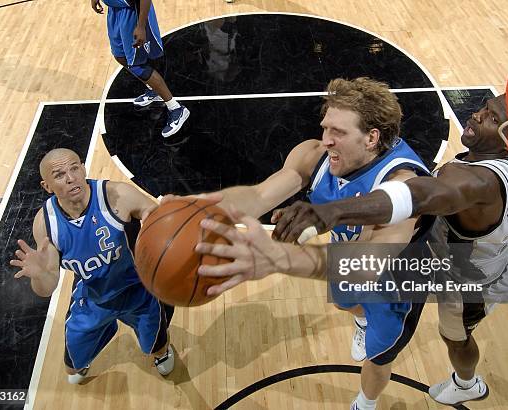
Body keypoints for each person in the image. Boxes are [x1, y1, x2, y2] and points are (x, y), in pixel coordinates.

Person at [257, 92, 508, 405]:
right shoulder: (500, 163)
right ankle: (365, 320)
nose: (477, 115)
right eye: (484, 108)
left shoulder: (481, 181)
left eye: (493, 119)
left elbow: (421, 195)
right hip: (462, 253)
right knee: (352, 289)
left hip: (466, 278)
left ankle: (467, 384)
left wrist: (334, 211)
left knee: (454, 337)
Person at [174, 77, 433, 410]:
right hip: (348, 257)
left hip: (396, 280)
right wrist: (195, 207)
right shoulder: (316, 154)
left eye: (338, 132)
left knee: (377, 356)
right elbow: (257, 196)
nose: (326, 139)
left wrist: (280, 257)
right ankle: (361, 318)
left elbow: (368, 264)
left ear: (372, 138)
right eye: (325, 127)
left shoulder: (401, 185)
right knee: (343, 302)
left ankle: (365, 403)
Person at [9, 148, 175, 384]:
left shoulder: (117, 194)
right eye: (59, 175)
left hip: (138, 290)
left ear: (83, 168)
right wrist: (39, 275)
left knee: (156, 347)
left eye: (75, 168)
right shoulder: (46, 223)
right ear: (46, 186)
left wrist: (162, 220)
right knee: (71, 369)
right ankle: (97, 340)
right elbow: (47, 287)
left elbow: (151, 212)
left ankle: (162, 352)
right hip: (93, 296)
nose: (71, 178)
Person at [91, 0, 189, 138]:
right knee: (120, 56)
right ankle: (153, 89)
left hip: (133, 14)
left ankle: (176, 108)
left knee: (136, 64)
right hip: (114, 11)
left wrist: (141, 25)